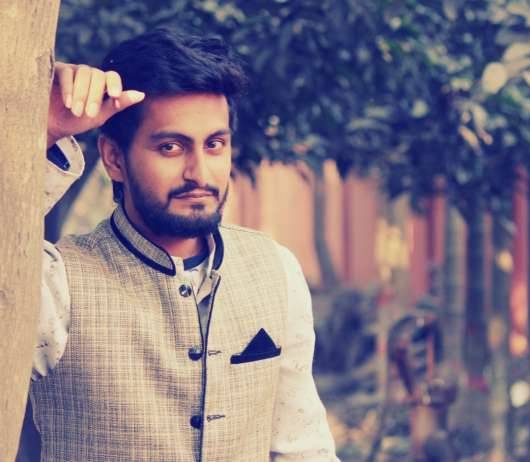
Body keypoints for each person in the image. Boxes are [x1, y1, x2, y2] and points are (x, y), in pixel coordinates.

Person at [31, 27, 340, 461]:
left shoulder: (276, 269)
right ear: (114, 158)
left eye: (214, 144)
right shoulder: (56, 283)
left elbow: (302, 448)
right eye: (171, 147)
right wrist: (39, 134)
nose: (199, 172)